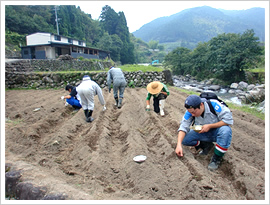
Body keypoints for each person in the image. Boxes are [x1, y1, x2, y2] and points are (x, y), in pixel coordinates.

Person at [175, 94, 233, 171]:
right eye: (190, 112)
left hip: (217, 132)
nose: (192, 114)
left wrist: (210, 126)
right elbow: (183, 127)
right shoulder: (190, 111)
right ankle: (207, 146)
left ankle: (216, 159)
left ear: (201, 105)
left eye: (194, 112)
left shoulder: (214, 104)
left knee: (226, 131)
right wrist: (178, 145)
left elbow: (228, 120)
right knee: (185, 139)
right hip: (204, 133)